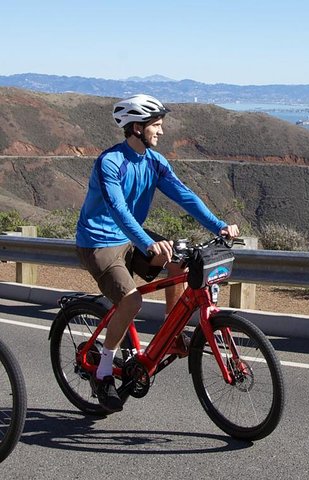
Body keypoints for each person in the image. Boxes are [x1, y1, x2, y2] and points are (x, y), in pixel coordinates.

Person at [75, 94, 239, 412]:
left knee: (181, 260)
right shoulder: (110, 162)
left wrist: (219, 226)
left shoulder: (155, 162)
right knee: (132, 300)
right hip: (99, 241)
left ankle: (172, 331)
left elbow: (185, 196)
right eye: (156, 126)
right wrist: (146, 244)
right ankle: (106, 370)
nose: (161, 132)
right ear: (137, 127)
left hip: (132, 236)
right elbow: (118, 210)